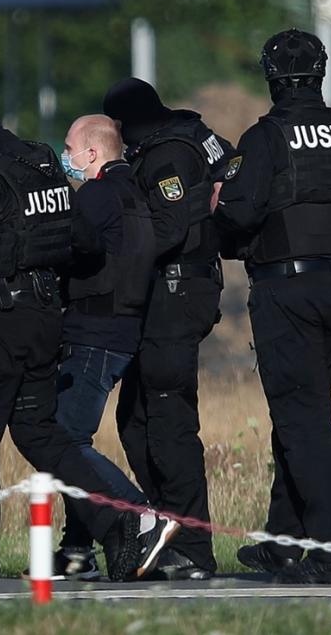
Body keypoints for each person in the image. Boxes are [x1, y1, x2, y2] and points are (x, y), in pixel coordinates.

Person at [0, 92, 177, 584]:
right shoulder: (41, 164)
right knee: (41, 433)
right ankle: (124, 520)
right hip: (46, 318)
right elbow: (81, 238)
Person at [214, 29, 331, 585]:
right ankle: (282, 543)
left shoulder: (266, 137)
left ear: (271, 78)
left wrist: (243, 243)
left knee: (305, 420)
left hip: (287, 288)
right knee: (299, 414)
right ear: (321, 73)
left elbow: (238, 214)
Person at [102, 78, 233, 580]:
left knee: (167, 418)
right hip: (168, 295)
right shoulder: (189, 136)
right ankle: (166, 531)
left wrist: (116, 249)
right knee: (136, 418)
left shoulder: (166, 155)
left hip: (177, 294)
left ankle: (193, 547)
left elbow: (171, 226)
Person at [50, 115, 158, 579]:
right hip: (124, 330)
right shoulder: (137, 193)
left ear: (92, 153)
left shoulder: (96, 195)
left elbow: (67, 248)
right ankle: (78, 547)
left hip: (93, 332)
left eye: (70, 147)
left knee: (63, 441)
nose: (66, 155)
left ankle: (139, 513)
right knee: (75, 438)